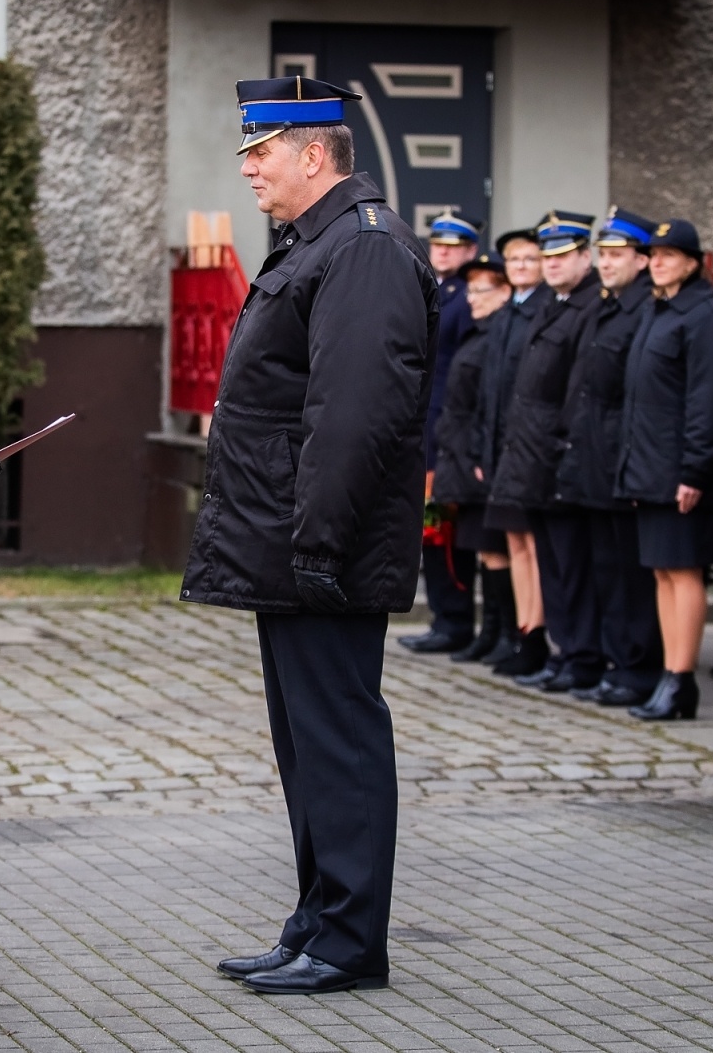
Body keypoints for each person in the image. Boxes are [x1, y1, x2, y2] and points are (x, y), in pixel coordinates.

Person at [183, 76, 435, 994]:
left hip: (319, 547)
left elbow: (355, 414)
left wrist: (319, 544)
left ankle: (349, 940)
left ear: (315, 154)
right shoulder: (318, 243)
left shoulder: (362, 251)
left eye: (262, 150)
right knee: (307, 746)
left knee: (339, 740)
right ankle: (317, 919)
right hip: (291, 545)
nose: (248, 166)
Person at [615, 219, 713, 720]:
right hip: (649, 465)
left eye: (670, 254)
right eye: (654, 253)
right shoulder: (658, 309)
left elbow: (710, 403)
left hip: (679, 471)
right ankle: (669, 674)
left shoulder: (705, 317)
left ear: (692, 262)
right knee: (663, 573)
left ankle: (681, 678)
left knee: (684, 572)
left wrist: (695, 471)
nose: (659, 261)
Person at [489, 211, 604, 691]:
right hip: (533, 454)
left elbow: (576, 391)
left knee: (573, 565)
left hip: (561, 455)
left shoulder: (590, 306)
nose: (552, 265)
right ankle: (564, 649)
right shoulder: (552, 306)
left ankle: (582, 655)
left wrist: (561, 448)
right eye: (547, 257)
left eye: (561, 256)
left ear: (585, 257)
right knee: (553, 563)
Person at [556, 207, 664, 706]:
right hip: (593, 458)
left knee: (630, 576)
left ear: (642, 260)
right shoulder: (606, 306)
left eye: (617, 254)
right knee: (606, 572)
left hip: (624, 459)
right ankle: (618, 661)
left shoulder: (644, 309)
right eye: (603, 253)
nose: (606, 262)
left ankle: (639, 666)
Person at [403, 214, 483, 654]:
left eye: (456, 245)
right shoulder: (434, 289)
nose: (445, 251)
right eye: (439, 243)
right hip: (429, 427)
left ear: (472, 251)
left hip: (450, 427)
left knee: (445, 532)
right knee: (430, 529)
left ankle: (455, 619)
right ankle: (442, 616)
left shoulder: (468, 296)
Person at [476, 227, 553, 675]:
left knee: (531, 545)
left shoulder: (543, 312)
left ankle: (536, 633)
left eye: (529, 259)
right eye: (514, 260)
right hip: (502, 447)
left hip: (528, 448)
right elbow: (492, 392)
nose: (521, 267)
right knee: (514, 544)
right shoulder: (506, 315)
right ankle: (523, 629)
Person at [432, 252, 516, 663]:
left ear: (505, 292)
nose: (471, 297)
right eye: (471, 289)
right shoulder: (478, 333)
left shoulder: (497, 336)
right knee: (480, 547)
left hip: (478, 454)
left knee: (492, 546)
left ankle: (504, 632)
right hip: (460, 452)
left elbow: (490, 402)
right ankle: (490, 632)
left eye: (482, 289)